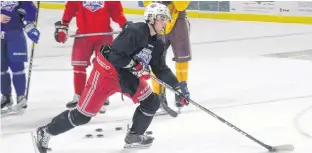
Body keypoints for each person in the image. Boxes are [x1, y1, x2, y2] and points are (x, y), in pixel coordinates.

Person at [34, 3, 190, 153]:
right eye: (161, 19)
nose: (164, 23)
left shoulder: (158, 43)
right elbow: (114, 56)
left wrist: (178, 87)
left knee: (151, 102)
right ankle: (45, 132)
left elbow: (160, 69)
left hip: (127, 76)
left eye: (165, 19)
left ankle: (134, 135)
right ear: (151, 18)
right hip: (106, 74)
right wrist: (133, 64)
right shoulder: (135, 31)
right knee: (82, 116)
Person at [54, 1, 127, 112]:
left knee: (103, 67)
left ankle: (102, 96)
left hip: (104, 35)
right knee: (78, 65)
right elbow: (70, 8)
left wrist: (124, 24)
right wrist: (63, 26)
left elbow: (116, 12)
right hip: (83, 34)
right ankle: (79, 96)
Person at [143, 1, 191, 113]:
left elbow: (181, 5)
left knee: (182, 61)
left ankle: (181, 93)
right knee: (156, 61)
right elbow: (148, 4)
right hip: (157, 20)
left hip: (178, 21)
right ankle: (159, 95)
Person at [1, 1, 40, 112]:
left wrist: (30, 28)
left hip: (15, 34)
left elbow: (29, 12)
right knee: (1, 67)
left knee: (17, 66)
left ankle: (20, 97)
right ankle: (6, 97)